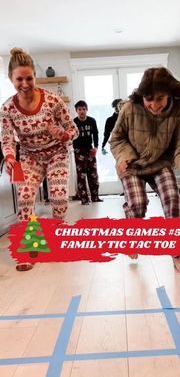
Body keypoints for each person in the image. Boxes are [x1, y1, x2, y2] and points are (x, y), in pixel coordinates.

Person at [110, 67, 180, 273]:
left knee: (172, 199)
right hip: (132, 164)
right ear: (141, 95)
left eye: (160, 99)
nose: (154, 105)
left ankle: (177, 254)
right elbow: (116, 138)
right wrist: (124, 157)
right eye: (148, 99)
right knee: (138, 203)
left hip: (160, 163)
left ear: (169, 93)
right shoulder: (130, 108)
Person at [0, 47, 77, 271]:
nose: (25, 84)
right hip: (30, 157)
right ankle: (31, 246)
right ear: (11, 79)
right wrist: (10, 157)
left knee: (59, 197)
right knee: (24, 197)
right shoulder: (7, 108)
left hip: (56, 154)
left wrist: (62, 134)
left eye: (29, 78)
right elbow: (6, 138)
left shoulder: (52, 101)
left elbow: (74, 130)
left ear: (35, 76)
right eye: (19, 79)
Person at [73, 100, 103, 204]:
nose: (82, 111)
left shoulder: (92, 121)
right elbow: (71, 137)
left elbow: (95, 134)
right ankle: (84, 199)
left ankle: (95, 197)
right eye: (79, 109)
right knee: (81, 176)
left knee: (93, 174)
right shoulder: (74, 123)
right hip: (78, 151)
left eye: (84, 109)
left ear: (87, 110)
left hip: (90, 150)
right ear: (76, 111)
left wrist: (96, 147)